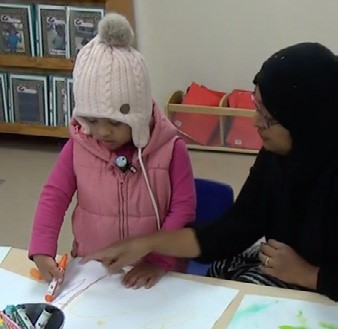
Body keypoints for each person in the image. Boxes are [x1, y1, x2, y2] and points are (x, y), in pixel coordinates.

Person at [83, 42, 338, 301]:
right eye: (256, 106)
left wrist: (308, 274)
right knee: (219, 274)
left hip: (321, 283)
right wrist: (147, 243)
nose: (254, 122)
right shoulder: (278, 154)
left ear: (306, 122)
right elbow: (234, 230)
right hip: (284, 260)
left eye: (267, 116)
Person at [29, 13, 196, 289]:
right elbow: (54, 195)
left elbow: (183, 209)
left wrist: (158, 259)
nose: (103, 132)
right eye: (92, 120)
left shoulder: (172, 149)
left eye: (116, 123)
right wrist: (41, 248)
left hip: (158, 271)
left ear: (139, 115)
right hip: (93, 271)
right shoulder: (77, 147)